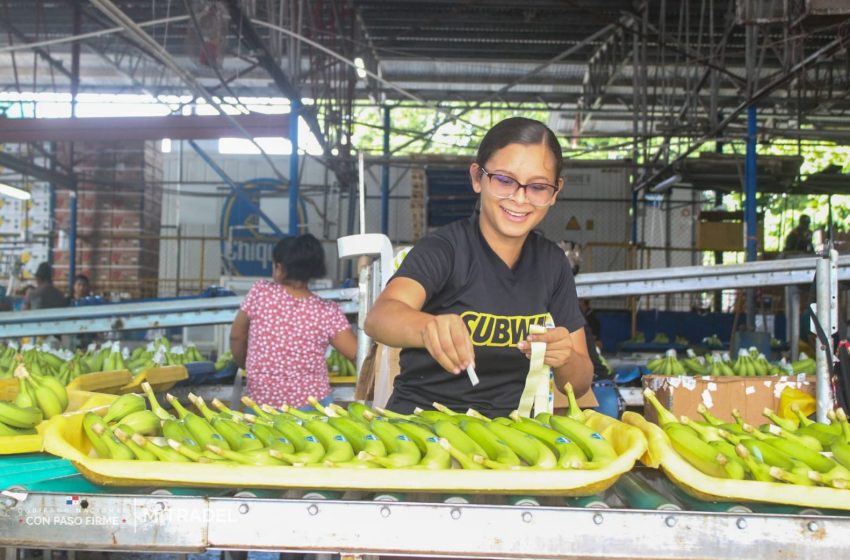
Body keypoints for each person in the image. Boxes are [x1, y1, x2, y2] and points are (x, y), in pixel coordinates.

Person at [364, 117, 593, 417]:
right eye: (504, 180)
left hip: (510, 435)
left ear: (554, 192)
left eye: (537, 187)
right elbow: (380, 318)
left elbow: (579, 383)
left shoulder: (552, 264)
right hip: (422, 427)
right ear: (477, 177)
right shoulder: (444, 249)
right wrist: (427, 327)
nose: (520, 198)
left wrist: (565, 359)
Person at [229, 234, 357, 410]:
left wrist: (248, 366)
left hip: (262, 405)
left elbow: (237, 336)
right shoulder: (327, 311)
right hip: (310, 406)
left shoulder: (260, 293)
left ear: (279, 268)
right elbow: (356, 354)